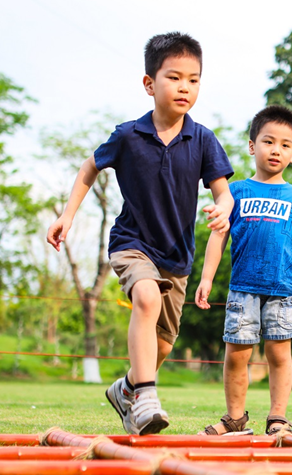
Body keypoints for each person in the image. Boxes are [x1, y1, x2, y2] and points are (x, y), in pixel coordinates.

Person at [46, 32, 234, 436]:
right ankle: (145, 395)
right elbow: (89, 167)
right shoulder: (129, 135)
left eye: (194, 79)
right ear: (150, 84)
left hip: (177, 257)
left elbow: (224, 192)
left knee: (162, 344)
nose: (185, 87)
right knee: (146, 296)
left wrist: (223, 209)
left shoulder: (202, 139)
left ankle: (127, 387)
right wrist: (67, 215)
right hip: (132, 243)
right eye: (174, 77)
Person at [195, 105, 292, 436]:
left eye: (284, 144)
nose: (275, 150)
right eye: (268, 141)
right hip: (242, 288)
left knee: (279, 355)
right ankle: (234, 418)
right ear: (252, 146)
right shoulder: (234, 193)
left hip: (283, 290)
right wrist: (207, 278)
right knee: (237, 354)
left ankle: (277, 418)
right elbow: (218, 236)